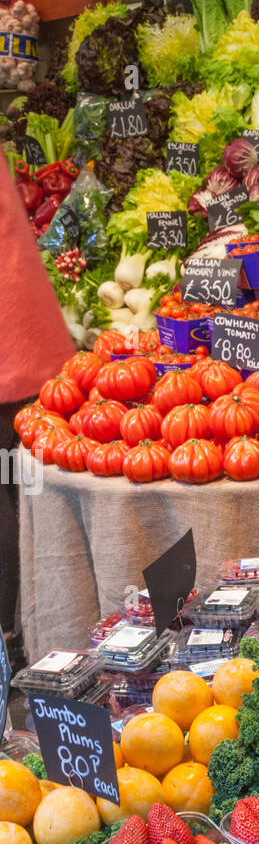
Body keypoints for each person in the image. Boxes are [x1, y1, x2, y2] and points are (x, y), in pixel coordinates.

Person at [0, 154, 75, 656]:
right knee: (16, 484)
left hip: (13, 345)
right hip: (26, 338)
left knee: (9, 489)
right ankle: (26, 630)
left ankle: (11, 633)